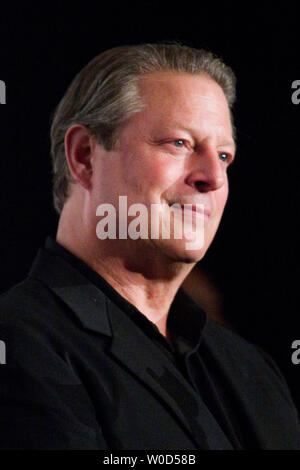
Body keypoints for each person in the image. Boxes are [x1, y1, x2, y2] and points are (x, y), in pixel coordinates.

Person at [0, 42, 299, 450]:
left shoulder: (254, 370)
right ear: (85, 157)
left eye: (225, 155)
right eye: (179, 143)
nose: (214, 176)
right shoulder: (18, 344)